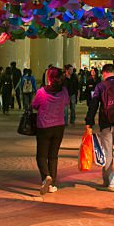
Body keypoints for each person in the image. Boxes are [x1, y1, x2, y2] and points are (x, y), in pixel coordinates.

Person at [86, 64, 114, 191]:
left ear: (104, 73)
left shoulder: (100, 86)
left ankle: (109, 180)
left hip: (106, 123)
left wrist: (89, 122)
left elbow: (93, 105)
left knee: (107, 152)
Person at [31, 67, 69, 195]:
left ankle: (46, 177)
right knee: (53, 156)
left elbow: (34, 105)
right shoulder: (63, 91)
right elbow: (66, 103)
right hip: (59, 127)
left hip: (44, 127)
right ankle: (52, 185)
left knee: (41, 156)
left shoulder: (42, 92)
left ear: (49, 78)